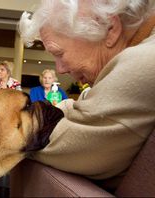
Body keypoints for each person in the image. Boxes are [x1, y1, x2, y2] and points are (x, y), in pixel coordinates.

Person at [19, 0, 155, 182]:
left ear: (110, 29)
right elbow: (84, 103)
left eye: (59, 53)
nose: (60, 69)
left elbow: (74, 147)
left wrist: (10, 141)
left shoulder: (144, 60)